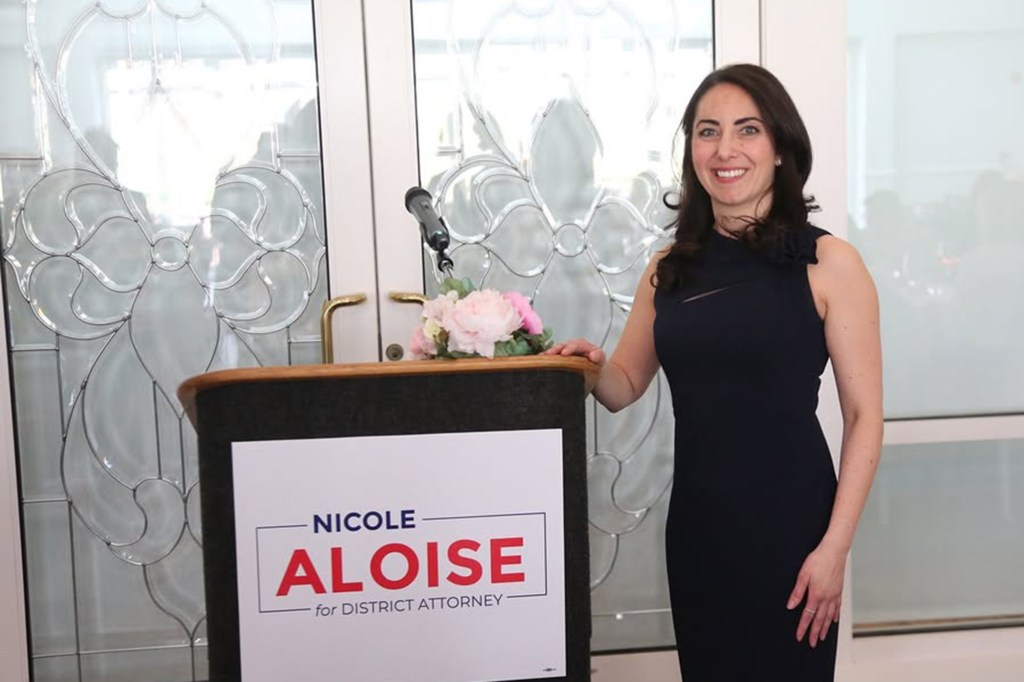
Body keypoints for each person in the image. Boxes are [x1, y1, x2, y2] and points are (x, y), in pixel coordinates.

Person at [546, 64, 882, 681]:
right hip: (699, 528)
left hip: (792, 530)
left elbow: (864, 418)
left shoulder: (829, 262)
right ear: (692, 152)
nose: (725, 149)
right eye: (708, 132)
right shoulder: (668, 269)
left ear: (779, 148)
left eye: (747, 130)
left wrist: (835, 549)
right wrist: (587, 369)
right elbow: (624, 386)